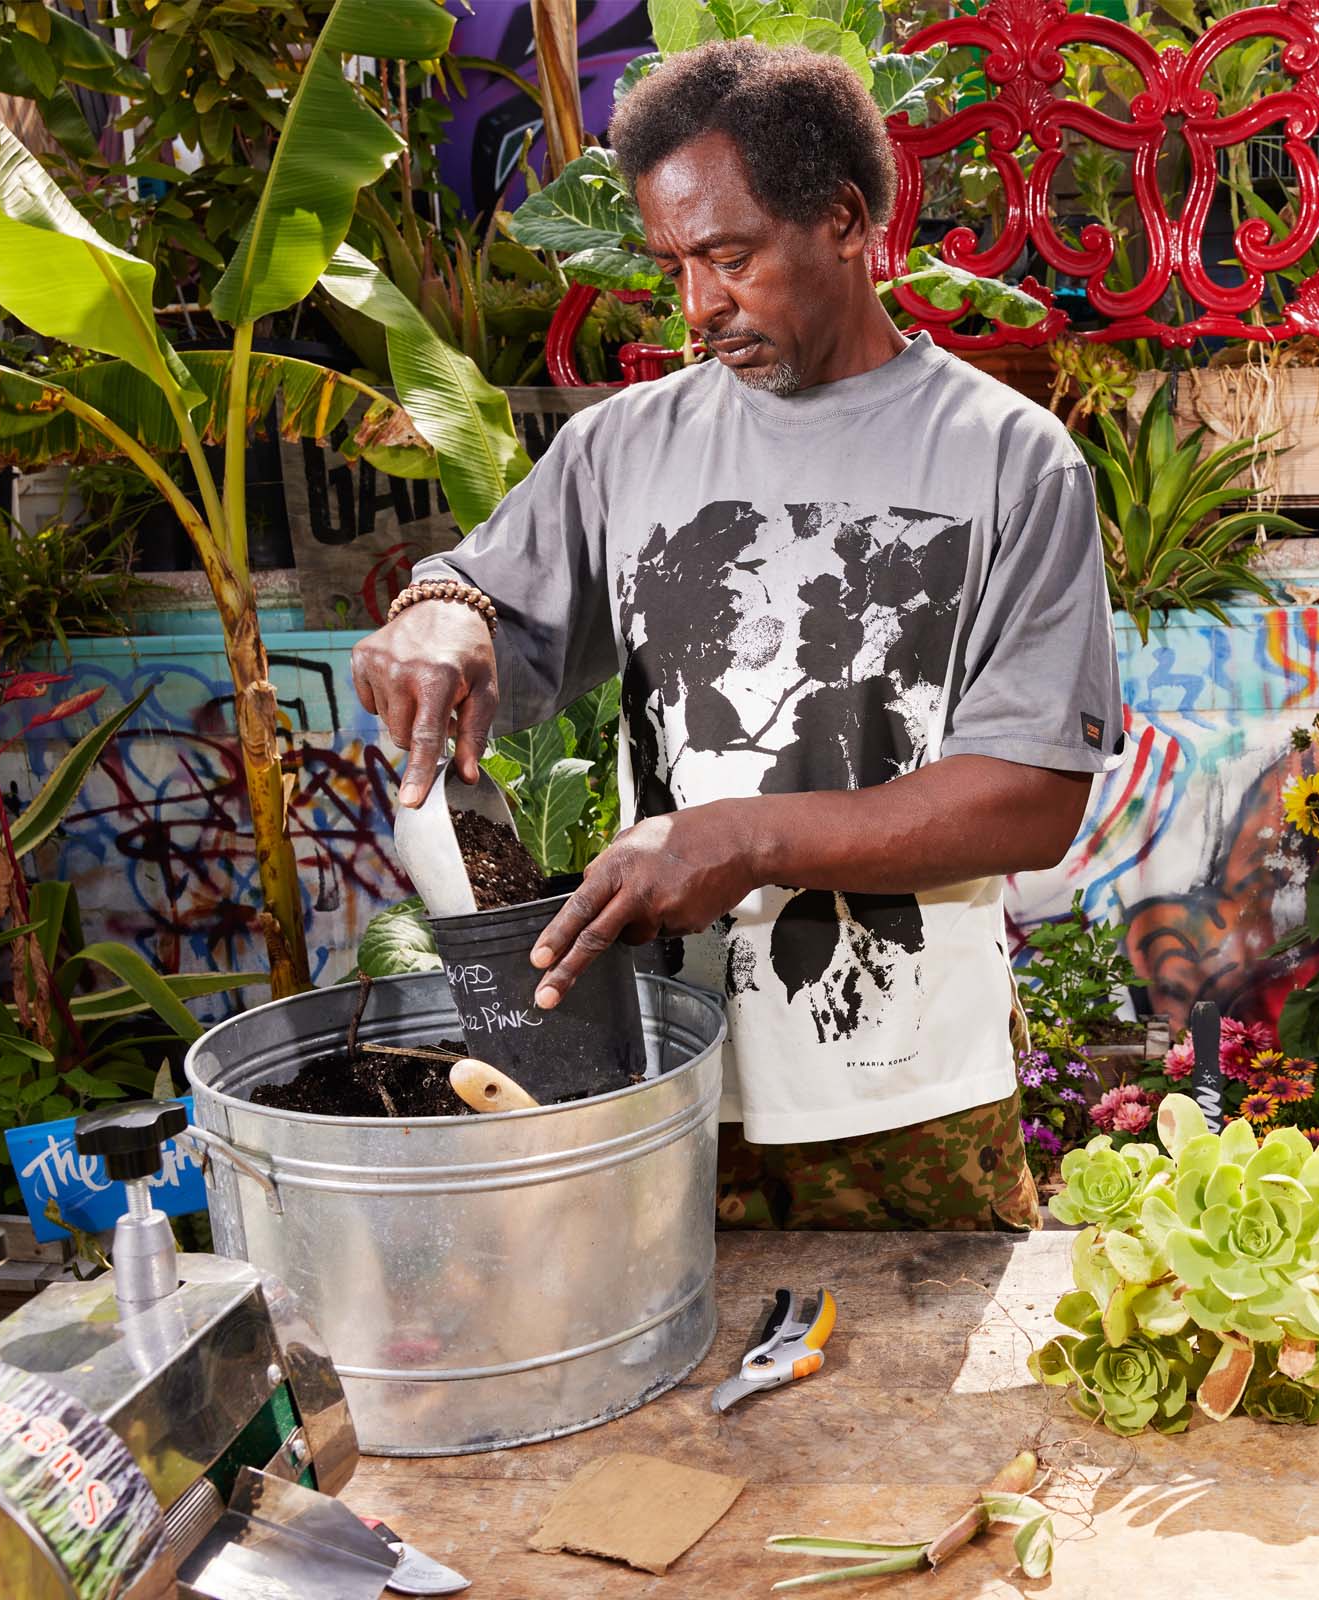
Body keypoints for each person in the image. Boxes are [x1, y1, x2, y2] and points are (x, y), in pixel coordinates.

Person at [350, 39, 1125, 1232]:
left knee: (915, 1414)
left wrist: (745, 836)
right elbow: (481, 593)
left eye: (730, 256)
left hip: (909, 1087)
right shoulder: (624, 449)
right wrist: (437, 617)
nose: (699, 306)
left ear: (845, 220)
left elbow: (1030, 795)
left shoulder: (1009, 460)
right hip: (665, 1072)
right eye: (675, 266)